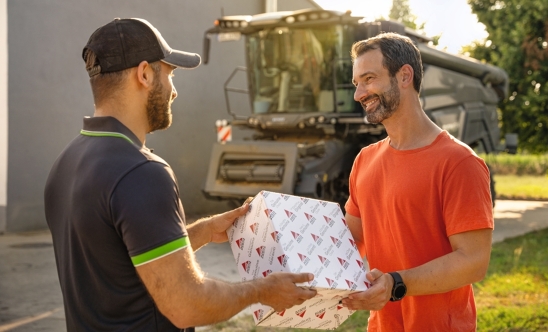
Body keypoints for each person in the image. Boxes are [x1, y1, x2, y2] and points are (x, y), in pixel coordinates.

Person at [44, 18, 316, 331]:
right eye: (170, 74)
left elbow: (117, 259)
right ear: (144, 74)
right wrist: (262, 290)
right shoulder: (142, 172)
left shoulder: (65, 163)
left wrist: (204, 231)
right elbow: (187, 305)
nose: (174, 92)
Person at [340, 32, 494, 331]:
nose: (359, 94)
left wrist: (396, 284)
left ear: (404, 76)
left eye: (369, 78)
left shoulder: (459, 162)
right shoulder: (365, 161)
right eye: (356, 83)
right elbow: (351, 240)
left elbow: (474, 261)